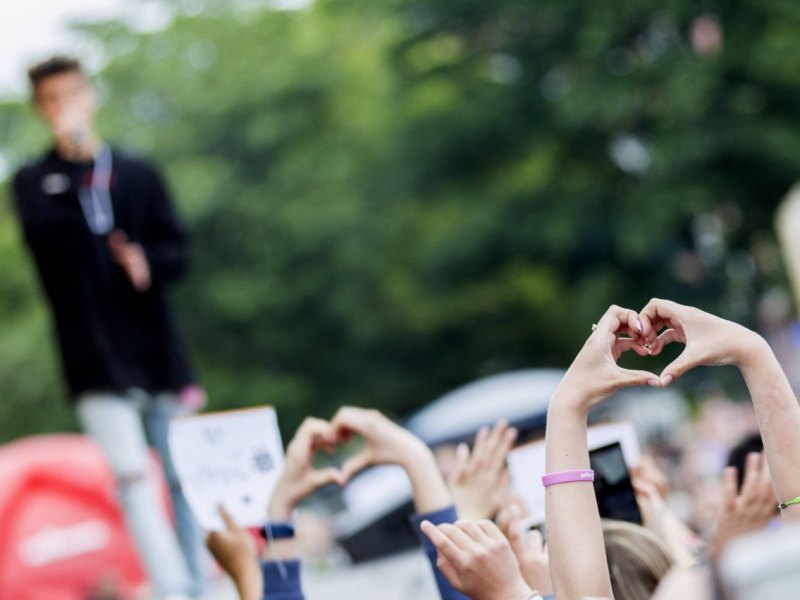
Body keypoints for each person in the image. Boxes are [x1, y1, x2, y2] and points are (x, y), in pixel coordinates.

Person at [12, 55, 204, 599]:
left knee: (184, 476)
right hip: (93, 358)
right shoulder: (33, 181)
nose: (64, 107)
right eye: (52, 99)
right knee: (133, 480)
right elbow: (46, 248)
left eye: (72, 94)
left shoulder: (138, 172)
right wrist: (74, 171)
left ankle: (199, 582)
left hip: (159, 352)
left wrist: (147, 263)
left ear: (91, 94)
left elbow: (178, 252)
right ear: (41, 109)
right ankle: (172, 591)